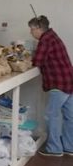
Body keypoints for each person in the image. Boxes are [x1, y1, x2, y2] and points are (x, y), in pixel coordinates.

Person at [28, 15, 73, 156]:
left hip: (58, 83)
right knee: (69, 116)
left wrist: (30, 57)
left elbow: (38, 61)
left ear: (39, 28)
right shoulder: (52, 36)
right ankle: (69, 146)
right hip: (68, 81)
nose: (31, 32)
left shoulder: (45, 40)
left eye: (32, 29)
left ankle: (54, 149)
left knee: (51, 115)